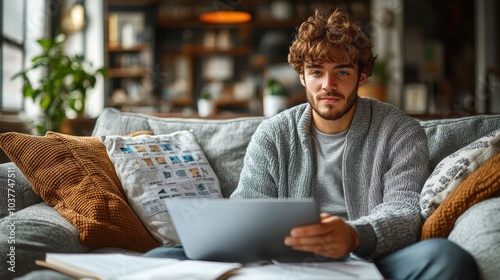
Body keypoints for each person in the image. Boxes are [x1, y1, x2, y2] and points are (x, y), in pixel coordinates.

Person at [146, 7, 478, 280]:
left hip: (370, 259)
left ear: (362, 76)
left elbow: (404, 210)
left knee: (445, 258)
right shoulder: (274, 134)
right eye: (316, 72)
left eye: (342, 73)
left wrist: (355, 235)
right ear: (302, 75)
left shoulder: (400, 131)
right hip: (284, 263)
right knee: (160, 258)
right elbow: (247, 205)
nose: (327, 85)